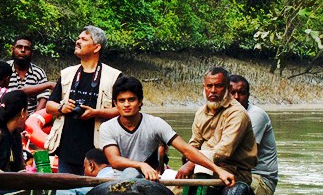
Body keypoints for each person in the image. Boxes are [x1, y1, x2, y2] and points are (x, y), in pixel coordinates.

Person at [44, 26, 121, 195]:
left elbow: (123, 109)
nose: (78, 41)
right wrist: (62, 106)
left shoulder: (113, 76)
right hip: (68, 146)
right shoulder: (67, 74)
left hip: (98, 150)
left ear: (96, 47)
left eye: (84, 39)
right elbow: (50, 106)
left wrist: (96, 113)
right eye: (78, 37)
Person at [100, 76, 235, 184]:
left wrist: (218, 170)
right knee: (126, 173)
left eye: (131, 100)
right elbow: (114, 160)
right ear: (115, 104)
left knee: (134, 174)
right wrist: (140, 165)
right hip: (116, 181)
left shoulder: (156, 123)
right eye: (121, 101)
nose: (127, 105)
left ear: (140, 101)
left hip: (148, 181)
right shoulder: (107, 127)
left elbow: (186, 149)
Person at [176, 67, 257, 185]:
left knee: (192, 181)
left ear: (227, 89)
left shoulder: (237, 113)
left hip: (235, 172)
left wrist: (193, 162)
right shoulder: (200, 112)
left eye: (218, 86)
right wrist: (189, 158)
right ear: (204, 87)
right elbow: (194, 144)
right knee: (169, 181)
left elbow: (224, 150)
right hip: (203, 166)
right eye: (209, 86)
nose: (213, 90)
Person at [228, 75, 279, 195]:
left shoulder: (256, 116)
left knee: (222, 188)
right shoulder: (221, 115)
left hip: (261, 180)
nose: (236, 97)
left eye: (241, 93)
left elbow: (239, 155)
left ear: (248, 96)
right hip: (234, 173)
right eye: (231, 93)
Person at [7, 36, 56, 114]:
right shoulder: (3, 68)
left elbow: (44, 98)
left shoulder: (38, 72)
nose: (23, 50)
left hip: (30, 116)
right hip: (5, 116)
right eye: (19, 47)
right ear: (12, 50)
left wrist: (34, 118)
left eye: (27, 48)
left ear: (32, 53)